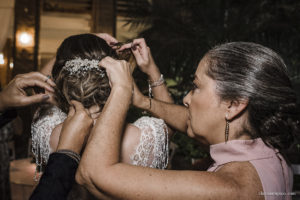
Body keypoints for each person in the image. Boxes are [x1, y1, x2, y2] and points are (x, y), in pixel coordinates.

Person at [76, 40, 300, 200]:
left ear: (233, 105)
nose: (186, 99)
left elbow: (92, 174)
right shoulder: (268, 149)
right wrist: (143, 101)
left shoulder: (230, 188)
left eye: (196, 87)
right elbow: (191, 121)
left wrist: (122, 90)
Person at [31, 34, 173, 199]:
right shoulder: (142, 138)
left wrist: (72, 50)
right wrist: (152, 70)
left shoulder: (47, 131)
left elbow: (38, 90)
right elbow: (170, 123)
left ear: (62, 78)